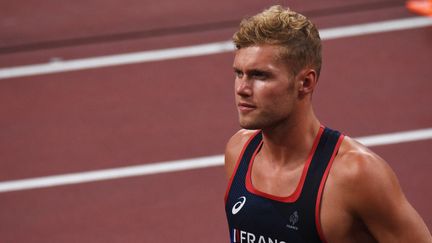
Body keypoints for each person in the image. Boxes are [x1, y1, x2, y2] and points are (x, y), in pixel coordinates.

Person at [223, 5, 432, 243]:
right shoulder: (239, 151)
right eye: (239, 73)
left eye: (260, 75)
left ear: (305, 82)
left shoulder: (354, 175)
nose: (242, 89)